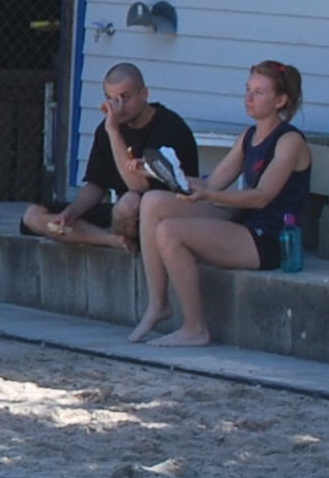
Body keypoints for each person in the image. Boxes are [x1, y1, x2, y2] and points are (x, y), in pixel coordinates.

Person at [129, 59, 317, 348]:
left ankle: (195, 328)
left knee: (169, 231)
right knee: (153, 201)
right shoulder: (248, 137)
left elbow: (262, 196)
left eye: (259, 92)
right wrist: (157, 172)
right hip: (243, 223)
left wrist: (210, 197)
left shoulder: (289, 141)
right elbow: (213, 184)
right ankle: (158, 304)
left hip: (270, 239)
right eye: (247, 89)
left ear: (281, 100)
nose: (249, 97)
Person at [22, 63, 200, 251]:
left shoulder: (169, 128)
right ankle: (111, 240)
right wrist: (72, 212)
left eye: (125, 97)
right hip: (120, 214)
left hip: (162, 214)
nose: (118, 106)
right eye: (110, 98)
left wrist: (114, 132)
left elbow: (138, 187)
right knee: (34, 214)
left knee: (129, 202)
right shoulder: (108, 128)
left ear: (144, 94)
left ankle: (106, 236)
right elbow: (97, 184)